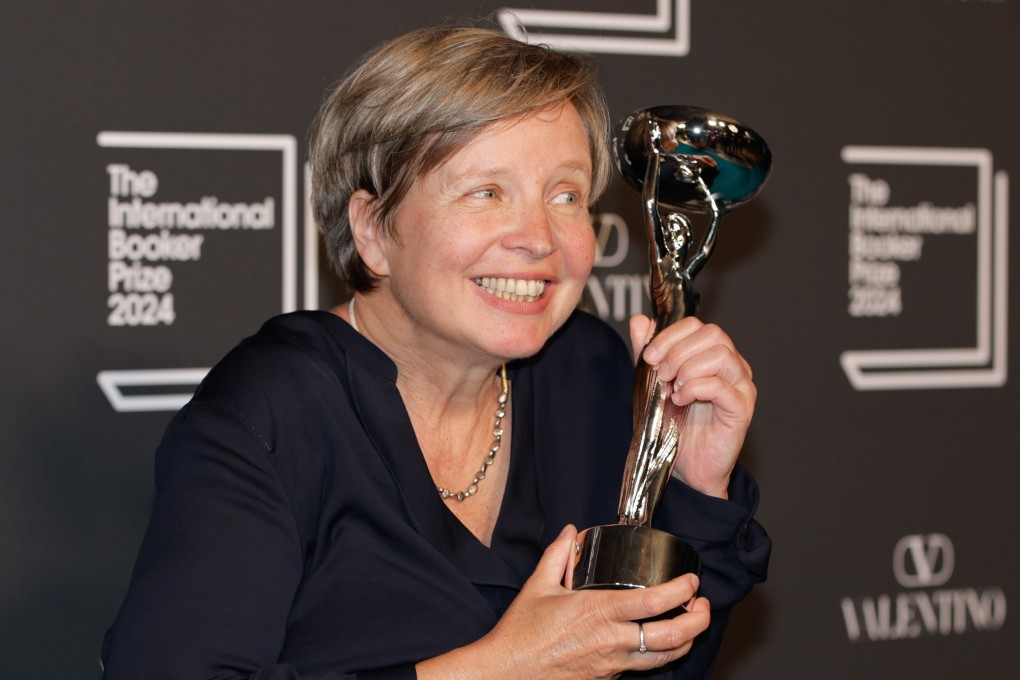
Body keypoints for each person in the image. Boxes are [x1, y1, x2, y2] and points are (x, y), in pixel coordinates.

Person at [102, 22, 769, 680]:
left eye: (565, 195)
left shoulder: (593, 377)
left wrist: (694, 489)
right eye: (486, 192)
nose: (538, 237)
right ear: (373, 230)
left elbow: (649, 664)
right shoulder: (276, 410)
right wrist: (503, 668)